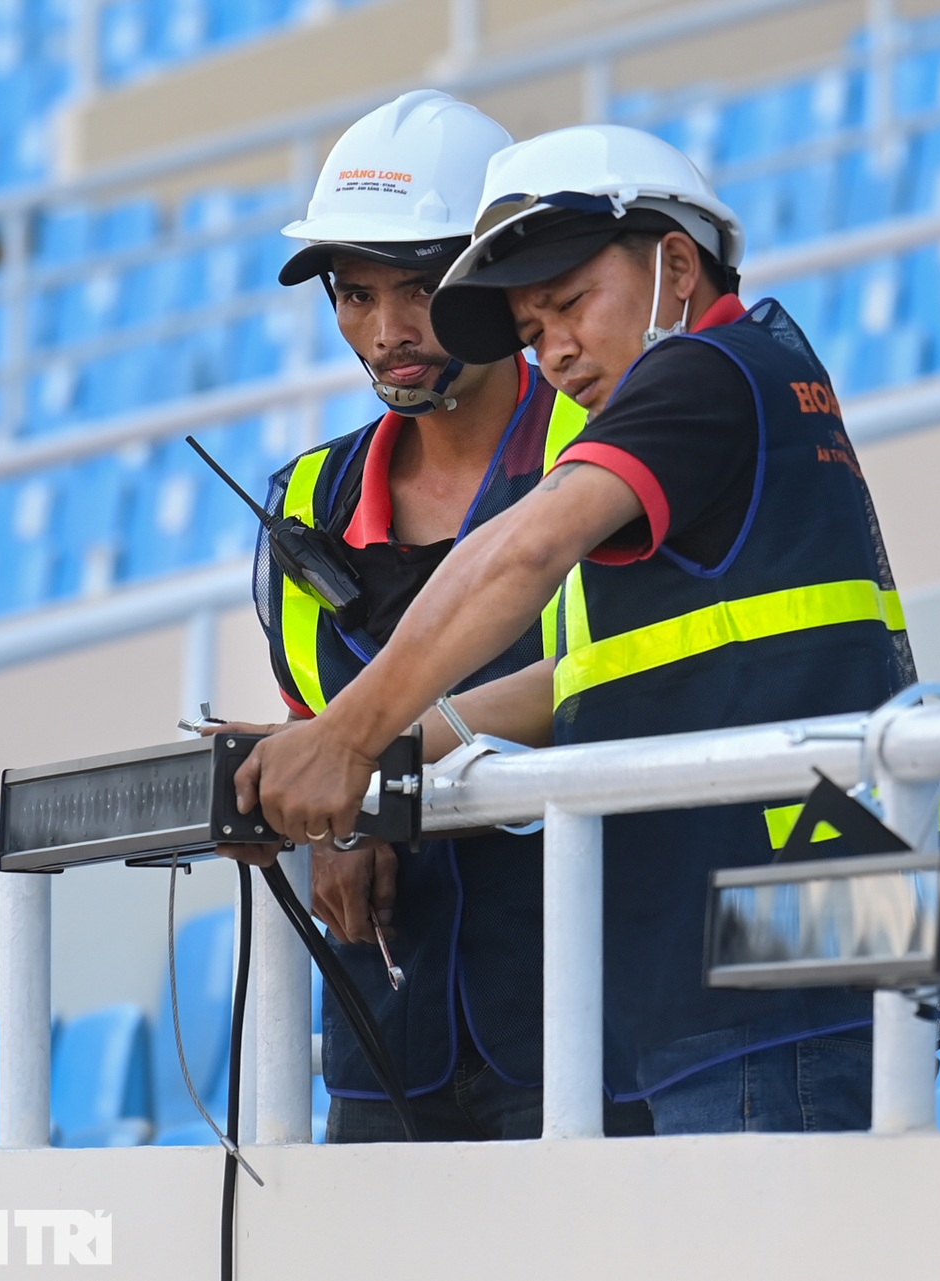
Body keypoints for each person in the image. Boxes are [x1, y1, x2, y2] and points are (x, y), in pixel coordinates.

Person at [231, 124, 922, 1134]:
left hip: (767, 948)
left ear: (675, 265)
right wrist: (362, 755)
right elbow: (595, 679)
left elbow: (514, 559)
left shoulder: (701, 375)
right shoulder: (750, 373)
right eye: (529, 324)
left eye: (568, 304)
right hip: (774, 929)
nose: (552, 348)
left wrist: (347, 737)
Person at [226, 90, 645, 1142]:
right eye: (353, 293)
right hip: (385, 1028)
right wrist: (328, 809)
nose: (386, 332)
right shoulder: (305, 502)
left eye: (420, 288)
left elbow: (620, 676)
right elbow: (311, 717)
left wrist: (369, 762)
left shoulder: (606, 454)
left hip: (591, 1013)